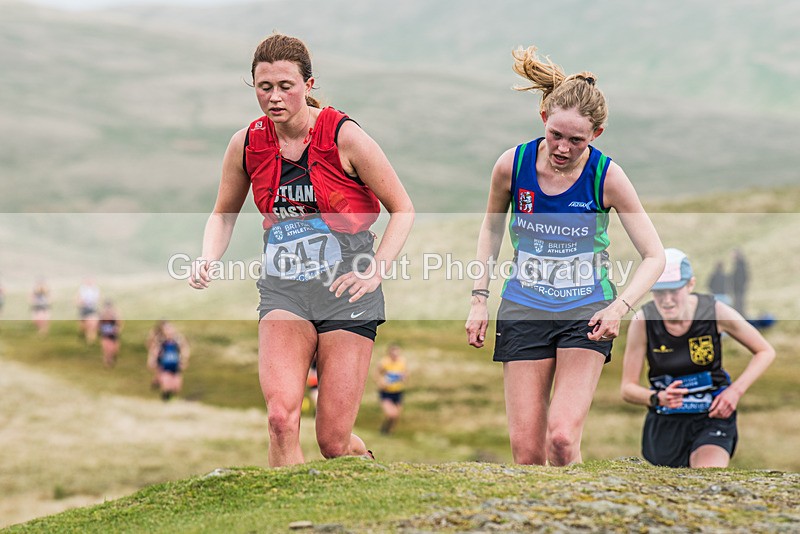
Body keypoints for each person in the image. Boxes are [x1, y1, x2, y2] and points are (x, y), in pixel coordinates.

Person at [189, 33, 414, 466]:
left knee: (332, 441)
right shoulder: (246, 145)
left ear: (308, 85)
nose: (274, 97)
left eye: (285, 86)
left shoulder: (345, 137)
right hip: (284, 291)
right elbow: (222, 214)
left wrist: (375, 270)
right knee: (280, 418)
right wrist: (207, 257)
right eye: (264, 87)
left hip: (347, 292)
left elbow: (403, 209)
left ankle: (365, 467)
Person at [465, 45, 665, 466]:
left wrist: (619, 308)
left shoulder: (606, 176)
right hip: (524, 306)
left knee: (560, 438)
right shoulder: (512, 165)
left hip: (586, 311)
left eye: (576, 140)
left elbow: (654, 256)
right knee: (526, 453)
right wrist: (479, 299)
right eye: (556, 135)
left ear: (596, 135)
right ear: (543, 120)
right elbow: (491, 228)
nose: (562, 148)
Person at [621, 248, 775, 468]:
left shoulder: (714, 312)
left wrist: (735, 391)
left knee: (707, 474)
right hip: (666, 422)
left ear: (690, 285)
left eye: (674, 290)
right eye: (658, 292)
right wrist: (658, 398)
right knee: (670, 493)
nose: (666, 300)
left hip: (711, 417)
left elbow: (765, 351)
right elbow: (627, 388)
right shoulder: (643, 321)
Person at [147, 322, 190, 401]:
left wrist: (184, 360)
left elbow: (185, 349)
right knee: (166, 386)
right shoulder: (160, 341)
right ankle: (165, 400)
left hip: (175, 366)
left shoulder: (177, 340)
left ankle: (160, 386)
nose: (169, 331)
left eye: (170, 328)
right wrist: (153, 360)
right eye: (167, 329)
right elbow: (153, 351)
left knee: (177, 388)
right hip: (164, 366)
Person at [374, 344, 408, 435]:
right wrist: (381, 382)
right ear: (389, 353)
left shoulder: (402, 362)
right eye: (393, 354)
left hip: (398, 391)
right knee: (391, 414)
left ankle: (388, 432)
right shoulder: (384, 362)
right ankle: (383, 430)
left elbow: (405, 374)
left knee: (396, 416)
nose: (395, 355)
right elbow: (377, 374)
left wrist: (404, 377)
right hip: (386, 392)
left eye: (397, 353)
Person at [98, 300, 122, 368]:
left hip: (113, 333)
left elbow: (119, 323)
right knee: (106, 348)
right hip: (105, 333)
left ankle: (112, 357)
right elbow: (99, 324)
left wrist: (118, 329)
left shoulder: (115, 314)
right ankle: (107, 360)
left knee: (115, 349)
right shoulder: (101, 314)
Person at [76, 278, 101, 344]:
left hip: (92, 309)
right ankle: (85, 336)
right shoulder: (82, 289)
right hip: (84, 309)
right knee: (83, 325)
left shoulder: (95, 289)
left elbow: (98, 299)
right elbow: (78, 300)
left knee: (92, 326)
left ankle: (91, 341)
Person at [731, 249, 749, 316]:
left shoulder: (740, 265)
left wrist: (739, 285)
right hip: (738, 287)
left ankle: (739, 315)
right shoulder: (740, 264)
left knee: (739, 303)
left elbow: (742, 277)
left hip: (739, 287)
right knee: (738, 302)